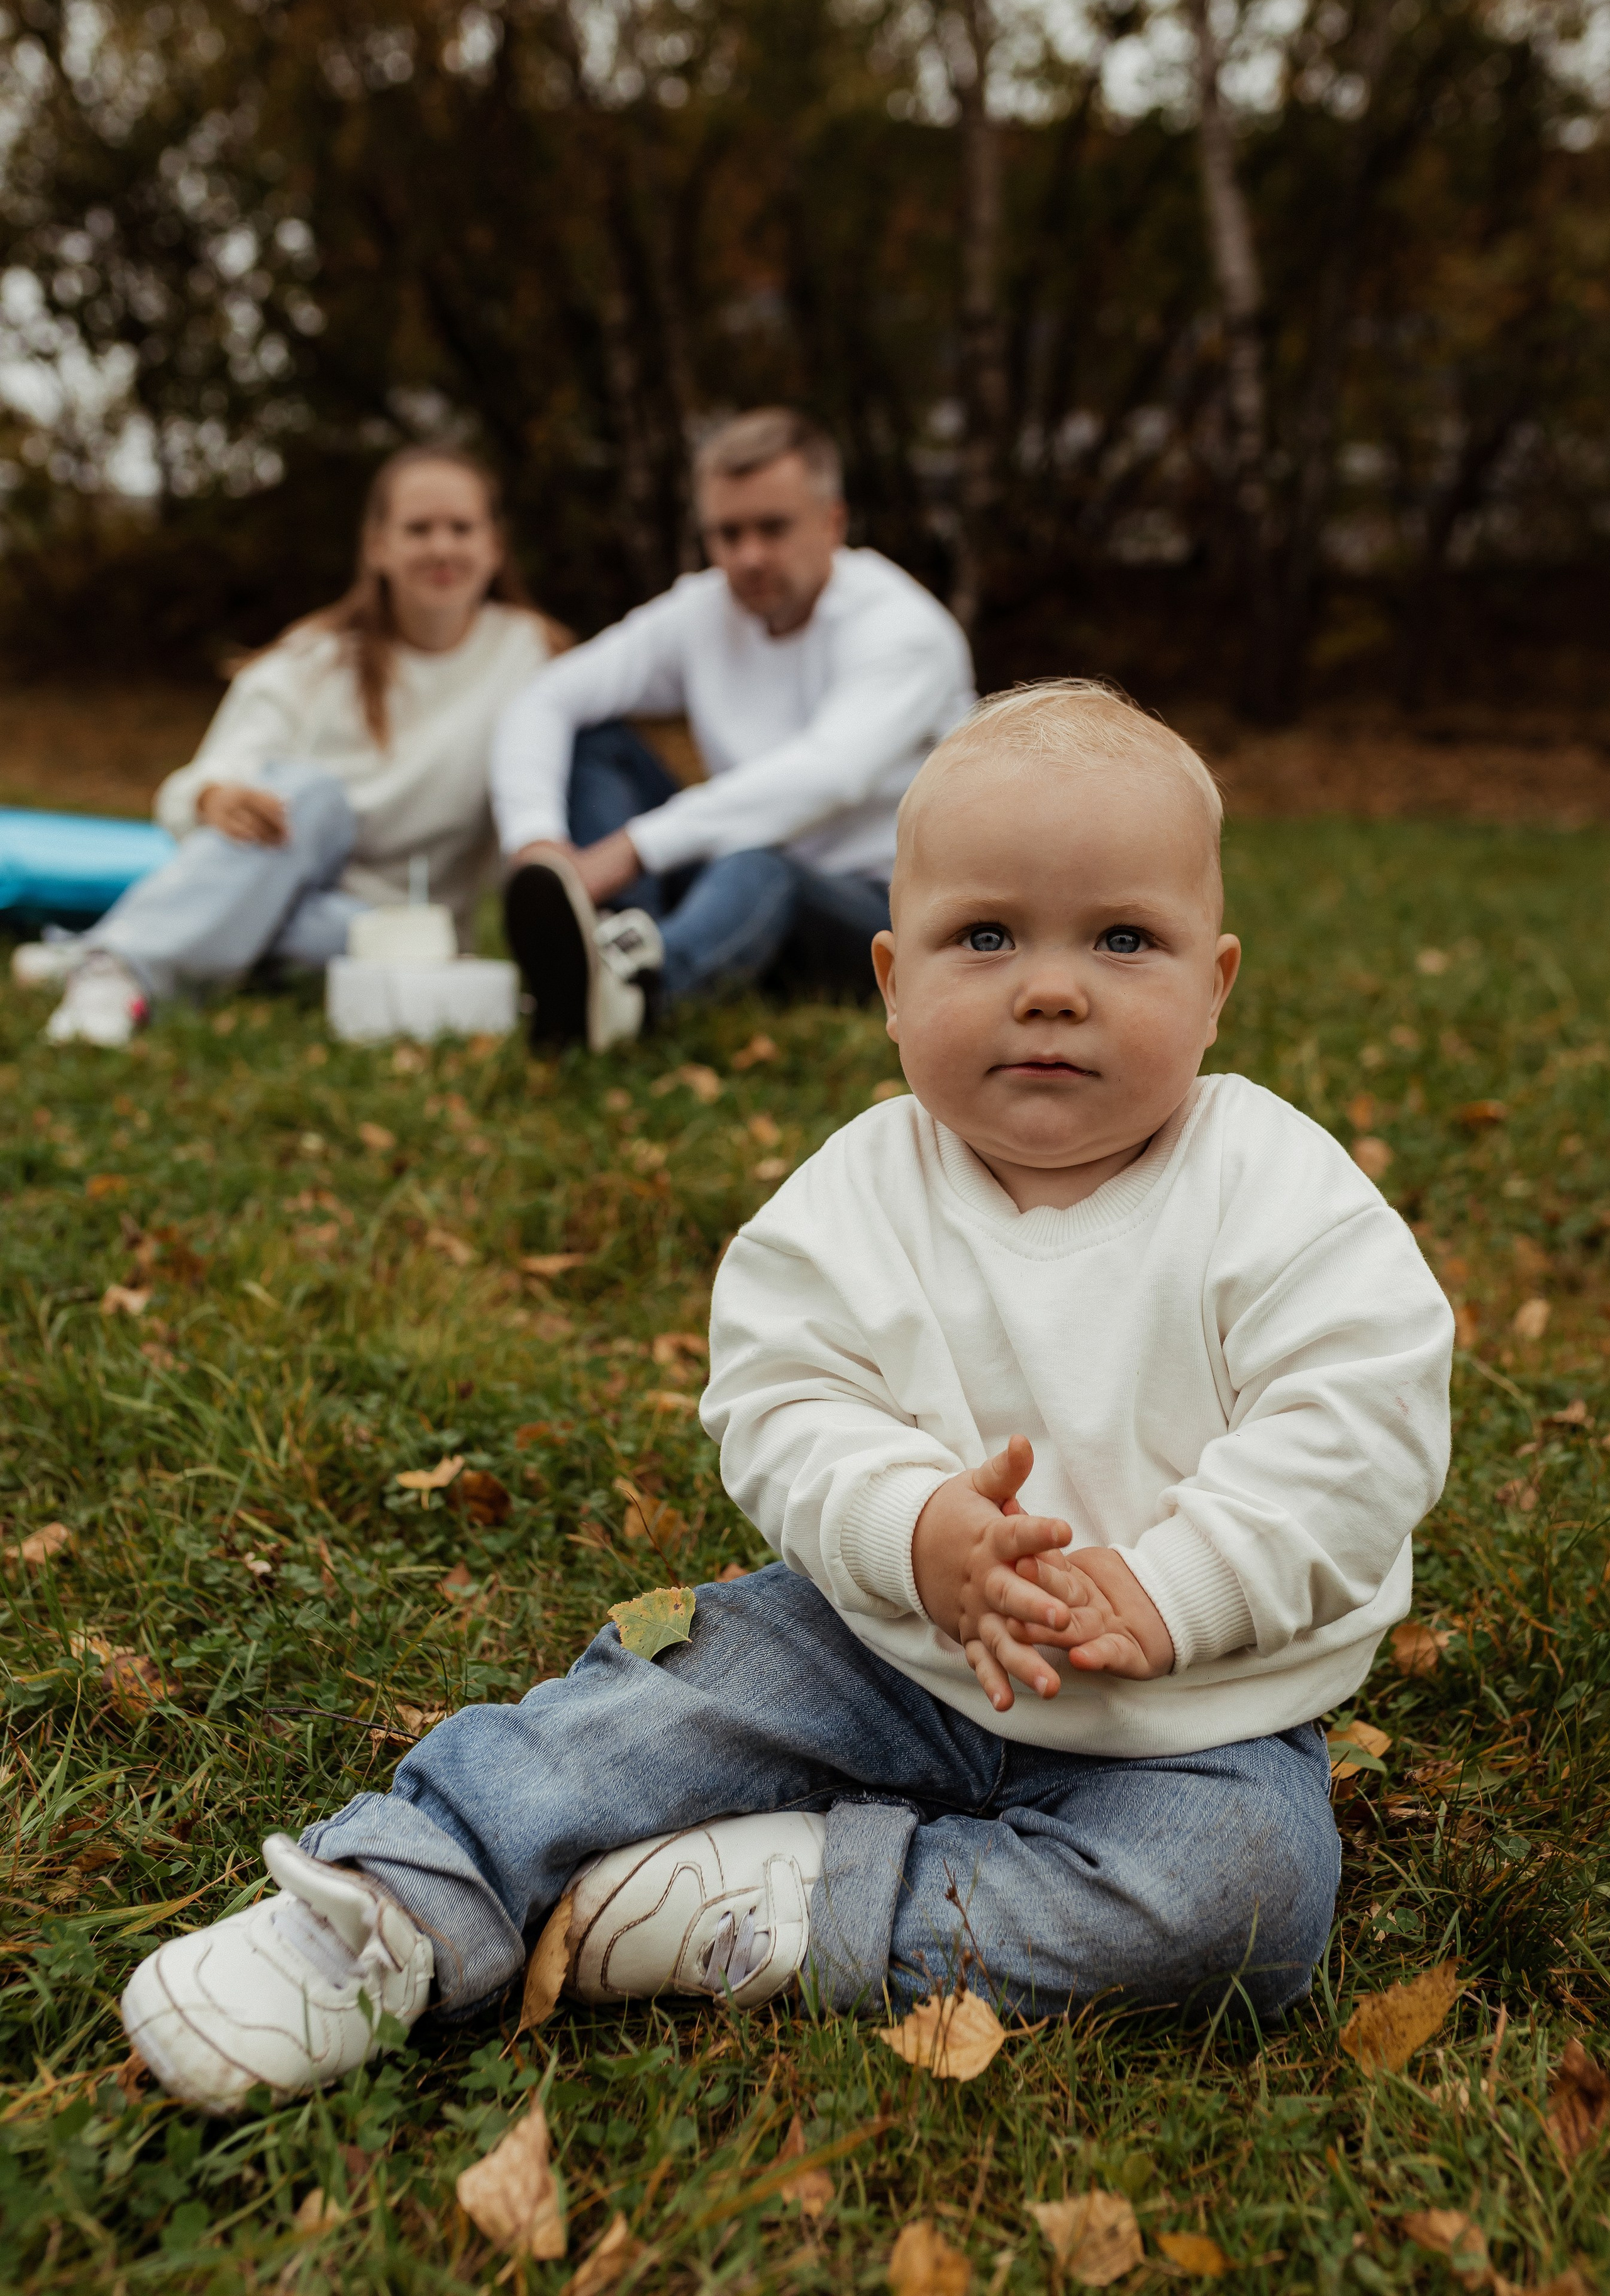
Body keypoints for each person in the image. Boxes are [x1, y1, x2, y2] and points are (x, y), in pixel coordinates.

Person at [119, 680, 1455, 2110]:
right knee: (657, 1695)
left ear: (1214, 981)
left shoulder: (1273, 1185)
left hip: (1190, 1707)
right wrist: (909, 1524)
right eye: (983, 934)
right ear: (888, 980)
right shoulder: (854, 1194)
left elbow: (1356, 1415)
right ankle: (390, 1896)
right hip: (874, 1637)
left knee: (1241, 1899)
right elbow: (779, 1392)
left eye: (1121, 937)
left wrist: (1181, 1580)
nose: (1050, 984)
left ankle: (775, 1897)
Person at [24, 446, 565, 1046]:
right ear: (377, 546)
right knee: (313, 796)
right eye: (418, 529)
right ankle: (113, 970)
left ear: (494, 545)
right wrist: (213, 796)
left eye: (461, 528)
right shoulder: (316, 657)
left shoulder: (533, 658)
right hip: (277, 871)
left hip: (387, 932)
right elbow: (210, 774)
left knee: (306, 930)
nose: (441, 547)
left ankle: (125, 942)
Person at [489, 407, 974, 1052]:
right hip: (730, 886)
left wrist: (629, 849)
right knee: (597, 743)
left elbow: (827, 773)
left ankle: (641, 992)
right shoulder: (703, 609)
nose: (747, 557)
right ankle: (607, 955)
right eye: (726, 533)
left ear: (832, 522)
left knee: (758, 863)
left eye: (773, 529)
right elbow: (547, 697)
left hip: (879, 914)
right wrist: (537, 844)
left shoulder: (903, 630)